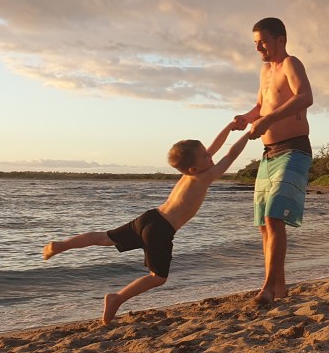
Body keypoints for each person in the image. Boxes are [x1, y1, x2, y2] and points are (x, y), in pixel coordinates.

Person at [42, 122, 250, 325]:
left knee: (104, 238)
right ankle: (117, 298)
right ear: (194, 167)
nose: (210, 155)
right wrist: (250, 133)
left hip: (150, 217)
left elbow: (215, 146)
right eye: (206, 156)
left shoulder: (192, 173)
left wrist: (230, 126)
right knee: (158, 277)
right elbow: (230, 155)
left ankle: (62, 245)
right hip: (161, 229)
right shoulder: (204, 177)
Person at [233, 17, 314, 305]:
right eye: (256, 43)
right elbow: (261, 106)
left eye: (263, 42)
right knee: (263, 224)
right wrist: (246, 118)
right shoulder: (265, 71)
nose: (258, 48)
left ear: (281, 39)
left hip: (294, 149)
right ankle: (279, 287)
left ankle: (267, 288)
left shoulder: (291, 63)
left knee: (274, 215)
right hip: (269, 154)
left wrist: (267, 121)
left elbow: (305, 97)